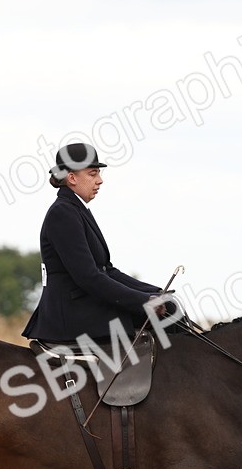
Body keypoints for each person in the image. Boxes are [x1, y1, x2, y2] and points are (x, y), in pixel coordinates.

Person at [22, 142, 170, 343]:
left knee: (169, 306)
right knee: (166, 315)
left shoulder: (76, 209)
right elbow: (88, 277)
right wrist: (142, 301)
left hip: (82, 304)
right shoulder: (62, 213)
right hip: (70, 314)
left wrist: (152, 291)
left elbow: (107, 270)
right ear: (72, 177)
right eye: (93, 174)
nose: (100, 181)